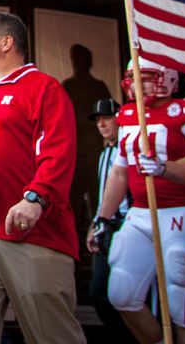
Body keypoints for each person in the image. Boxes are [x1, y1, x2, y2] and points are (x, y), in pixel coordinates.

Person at [0, 13, 84, 344]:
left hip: (33, 235)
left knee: (52, 337)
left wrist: (36, 197)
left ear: (7, 42)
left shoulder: (43, 89)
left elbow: (58, 153)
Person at [91, 59, 185, 344]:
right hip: (139, 212)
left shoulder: (184, 111)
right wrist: (103, 217)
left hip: (180, 213)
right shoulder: (129, 114)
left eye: (144, 77)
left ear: (167, 79)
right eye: (132, 78)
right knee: (121, 293)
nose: (136, 84)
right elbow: (119, 172)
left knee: (183, 309)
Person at [86, 98, 131, 342]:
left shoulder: (129, 149)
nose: (102, 124)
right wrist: (96, 222)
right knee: (100, 293)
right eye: (98, 120)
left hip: (126, 224)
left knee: (125, 293)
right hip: (106, 226)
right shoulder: (105, 153)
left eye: (107, 118)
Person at [61, 45, 112, 244]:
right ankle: (73, 245)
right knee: (73, 205)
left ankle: (100, 240)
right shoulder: (68, 86)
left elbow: (108, 115)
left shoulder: (98, 86)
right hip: (75, 156)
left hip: (95, 154)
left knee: (99, 201)